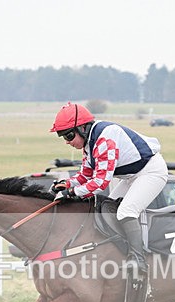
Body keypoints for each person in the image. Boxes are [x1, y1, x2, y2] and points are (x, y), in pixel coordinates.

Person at [49, 102, 168, 280]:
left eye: (69, 135)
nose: (67, 141)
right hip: (132, 176)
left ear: (82, 128)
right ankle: (116, 254)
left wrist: (73, 193)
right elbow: (85, 175)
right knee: (106, 211)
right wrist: (66, 185)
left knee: (126, 212)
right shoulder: (89, 143)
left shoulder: (104, 139)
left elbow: (100, 182)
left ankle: (139, 259)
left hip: (151, 172)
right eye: (63, 137)